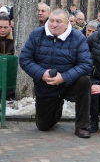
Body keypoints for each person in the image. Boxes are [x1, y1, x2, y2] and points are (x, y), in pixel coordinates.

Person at [19, 9, 93, 138]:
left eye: (59, 22)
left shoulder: (78, 37)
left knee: (85, 81)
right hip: (46, 84)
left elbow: (86, 64)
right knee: (43, 126)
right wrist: (41, 73)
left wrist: (64, 77)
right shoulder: (37, 34)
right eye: (51, 21)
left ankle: (82, 125)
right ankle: (56, 109)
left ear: (67, 23)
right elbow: (25, 59)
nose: (54, 25)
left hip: (69, 83)